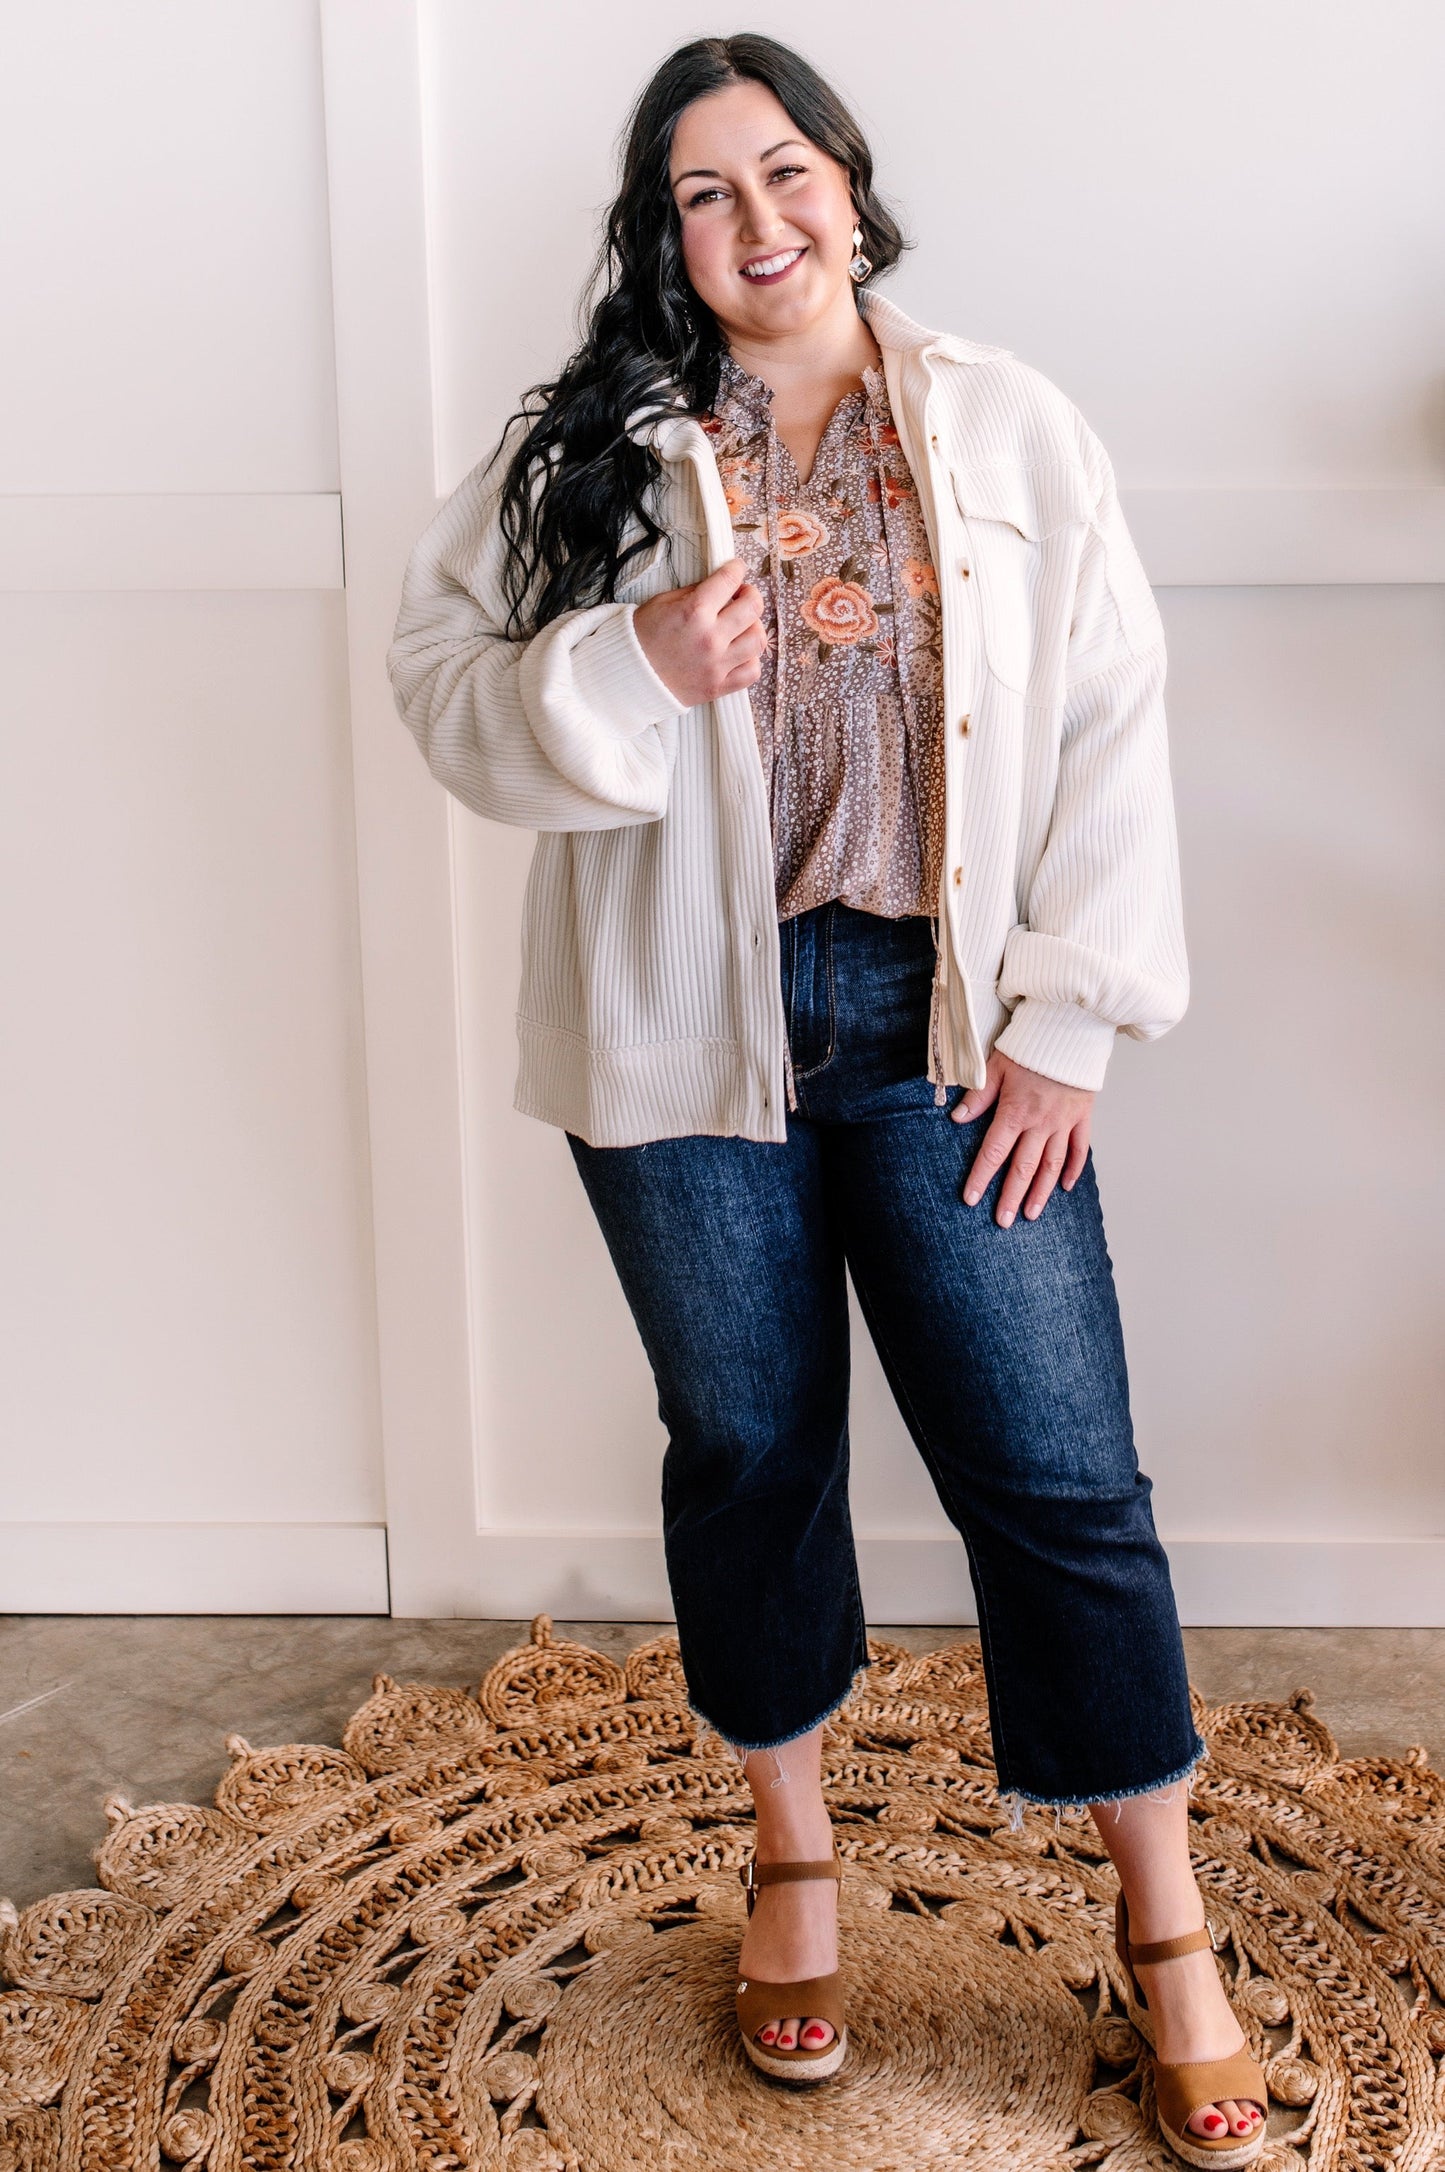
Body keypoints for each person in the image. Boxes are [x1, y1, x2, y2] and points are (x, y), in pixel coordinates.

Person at [387, 31, 1267, 2164]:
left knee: (1061, 1470)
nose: (760, 221)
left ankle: (1164, 1921)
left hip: (946, 1025)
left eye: (785, 172)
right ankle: (795, 1857)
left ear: (851, 183)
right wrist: (632, 663)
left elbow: (1114, 718)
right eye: (705, 193)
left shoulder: (1006, 420)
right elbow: (443, 690)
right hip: (687, 1029)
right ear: (663, 237)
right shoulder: (594, 445)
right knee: (752, 1442)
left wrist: (1072, 1021)